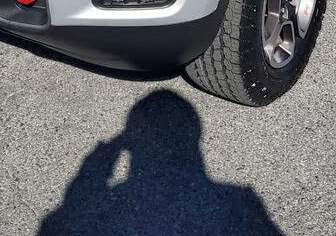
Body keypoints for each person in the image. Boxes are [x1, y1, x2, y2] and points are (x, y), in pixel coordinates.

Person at [38, 89, 283, 236]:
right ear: (195, 137)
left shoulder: (105, 204)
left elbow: (64, 218)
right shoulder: (240, 203)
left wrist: (107, 151)